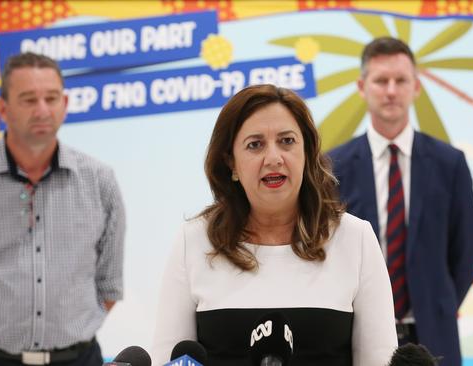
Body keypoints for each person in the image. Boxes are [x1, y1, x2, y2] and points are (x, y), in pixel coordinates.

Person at [152, 84, 397, 366]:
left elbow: (379, 360)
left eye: (287, 141)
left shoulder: (356, 240)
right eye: (255, 145)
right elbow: (167, 359)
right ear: (231, 162)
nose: (274, 158)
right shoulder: (194, 241)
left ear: (307, 152)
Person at [0, 52, 126, 366]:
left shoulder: (99, 182)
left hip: (78, 359)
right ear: (2, 108)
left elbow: (108, 285)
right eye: (28, 99)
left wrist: (66, 335)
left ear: (64, 104)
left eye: (51, 98)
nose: (42, 110)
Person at [328, 37, 473, 366]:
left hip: (434, 337)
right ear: (362, 86)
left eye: (401, 80)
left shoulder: (450, 164)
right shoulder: (333, 167)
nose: (391, 90)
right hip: (356, 337)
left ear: (417, 87)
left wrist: (438, 305)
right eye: (381, 80)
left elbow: (465, 255)